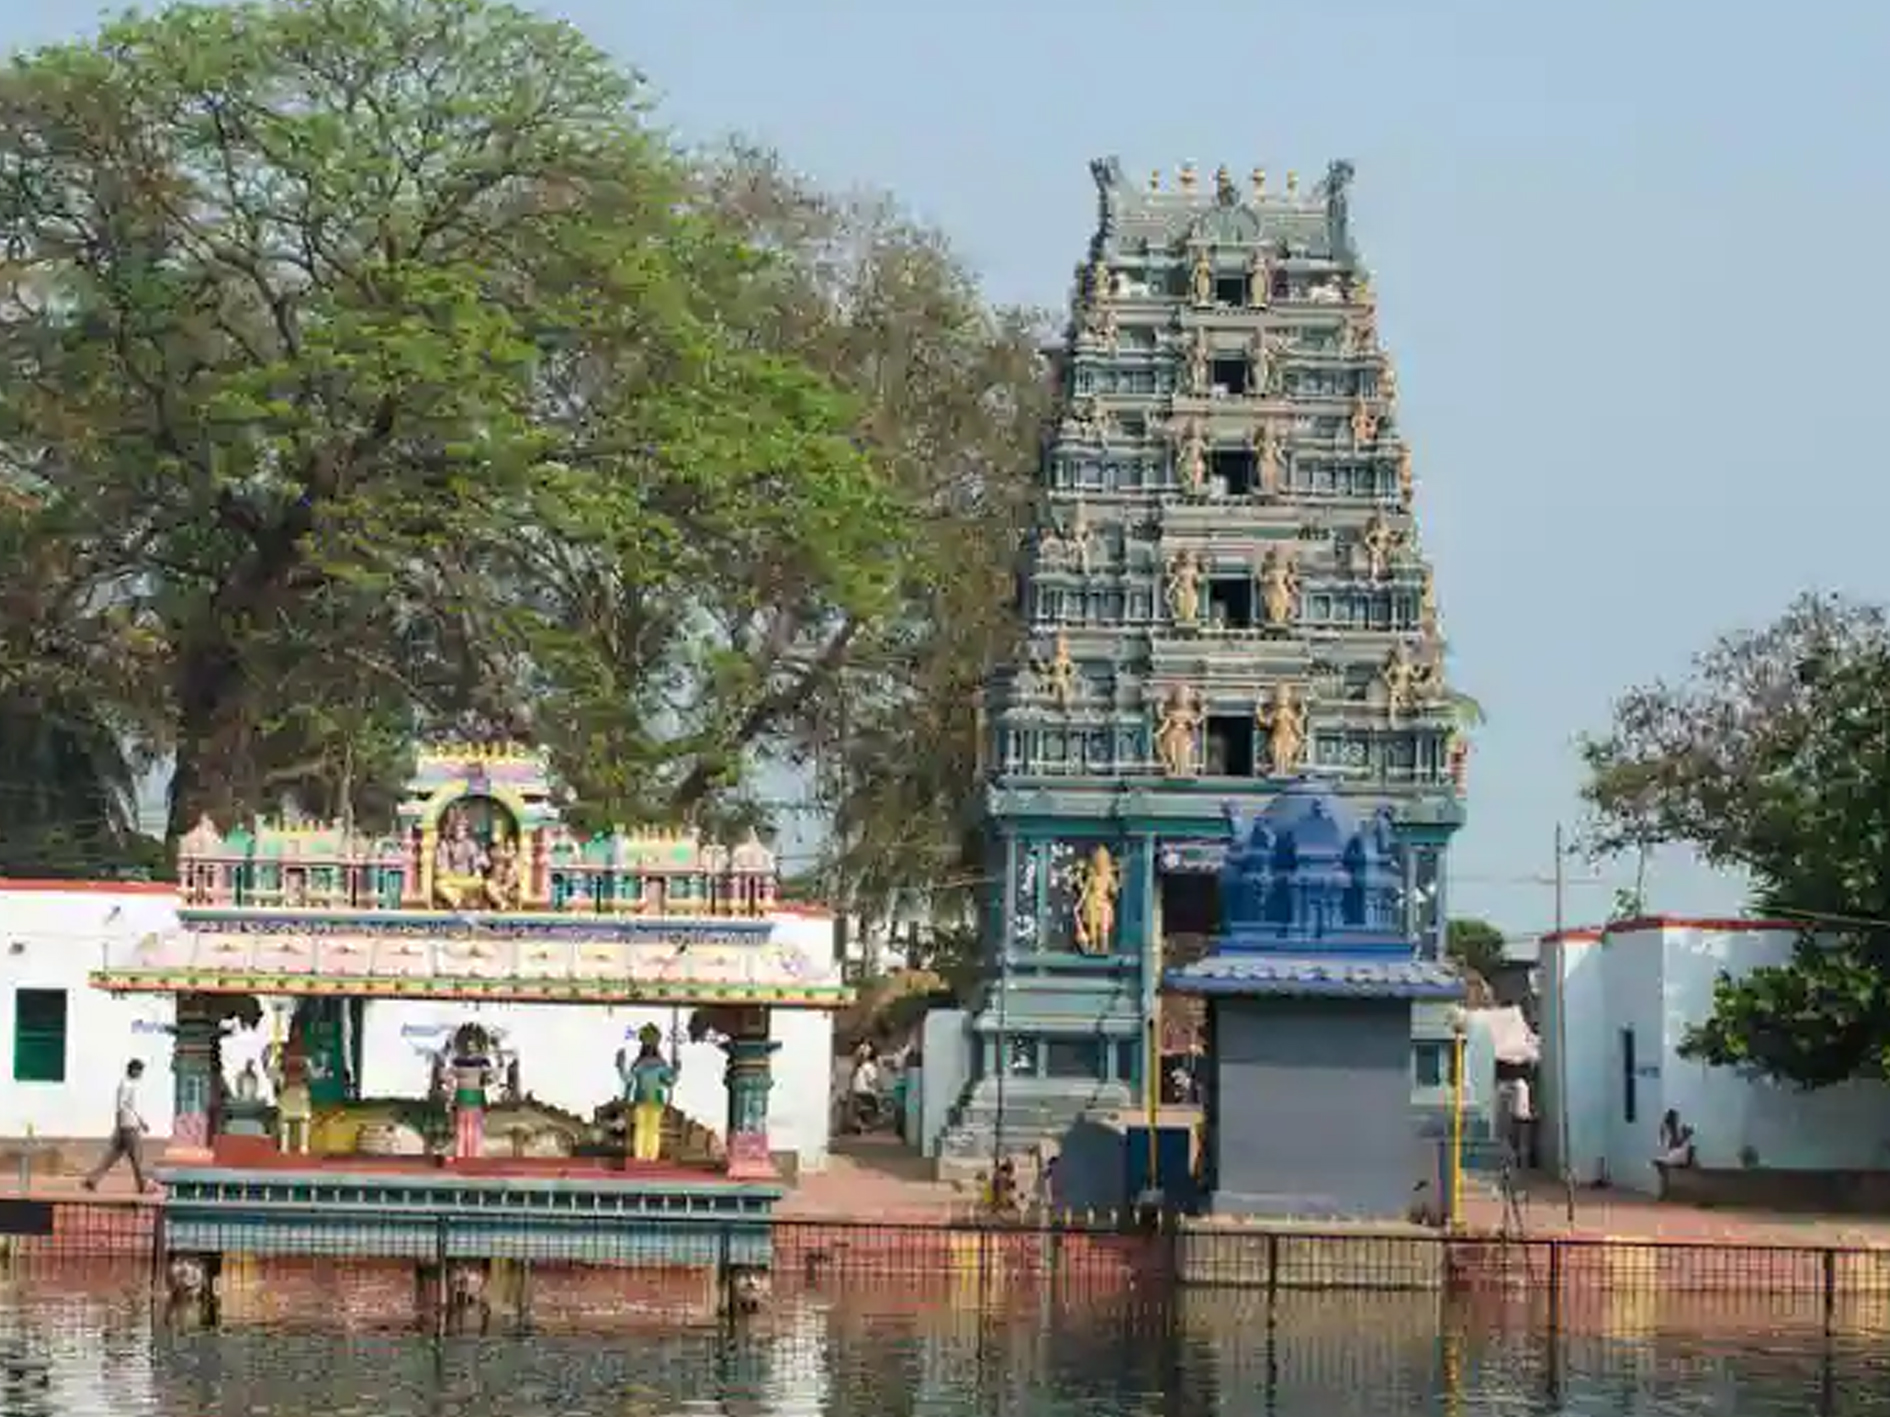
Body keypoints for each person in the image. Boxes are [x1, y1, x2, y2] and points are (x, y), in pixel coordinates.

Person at [83, 1060, 156, 1194]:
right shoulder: (127, 1085)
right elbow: (123, 1106)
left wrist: (125, 1125)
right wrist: (135, 1123)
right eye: (139, 1070)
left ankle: (92, 1180)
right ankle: (143, 1186)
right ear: (133, 1070)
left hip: (126, 1125)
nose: (140, 1073)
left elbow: (127, 1107)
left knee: (111, 1157)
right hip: (129, 1126)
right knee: (137, 1157)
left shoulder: (128, 1084)